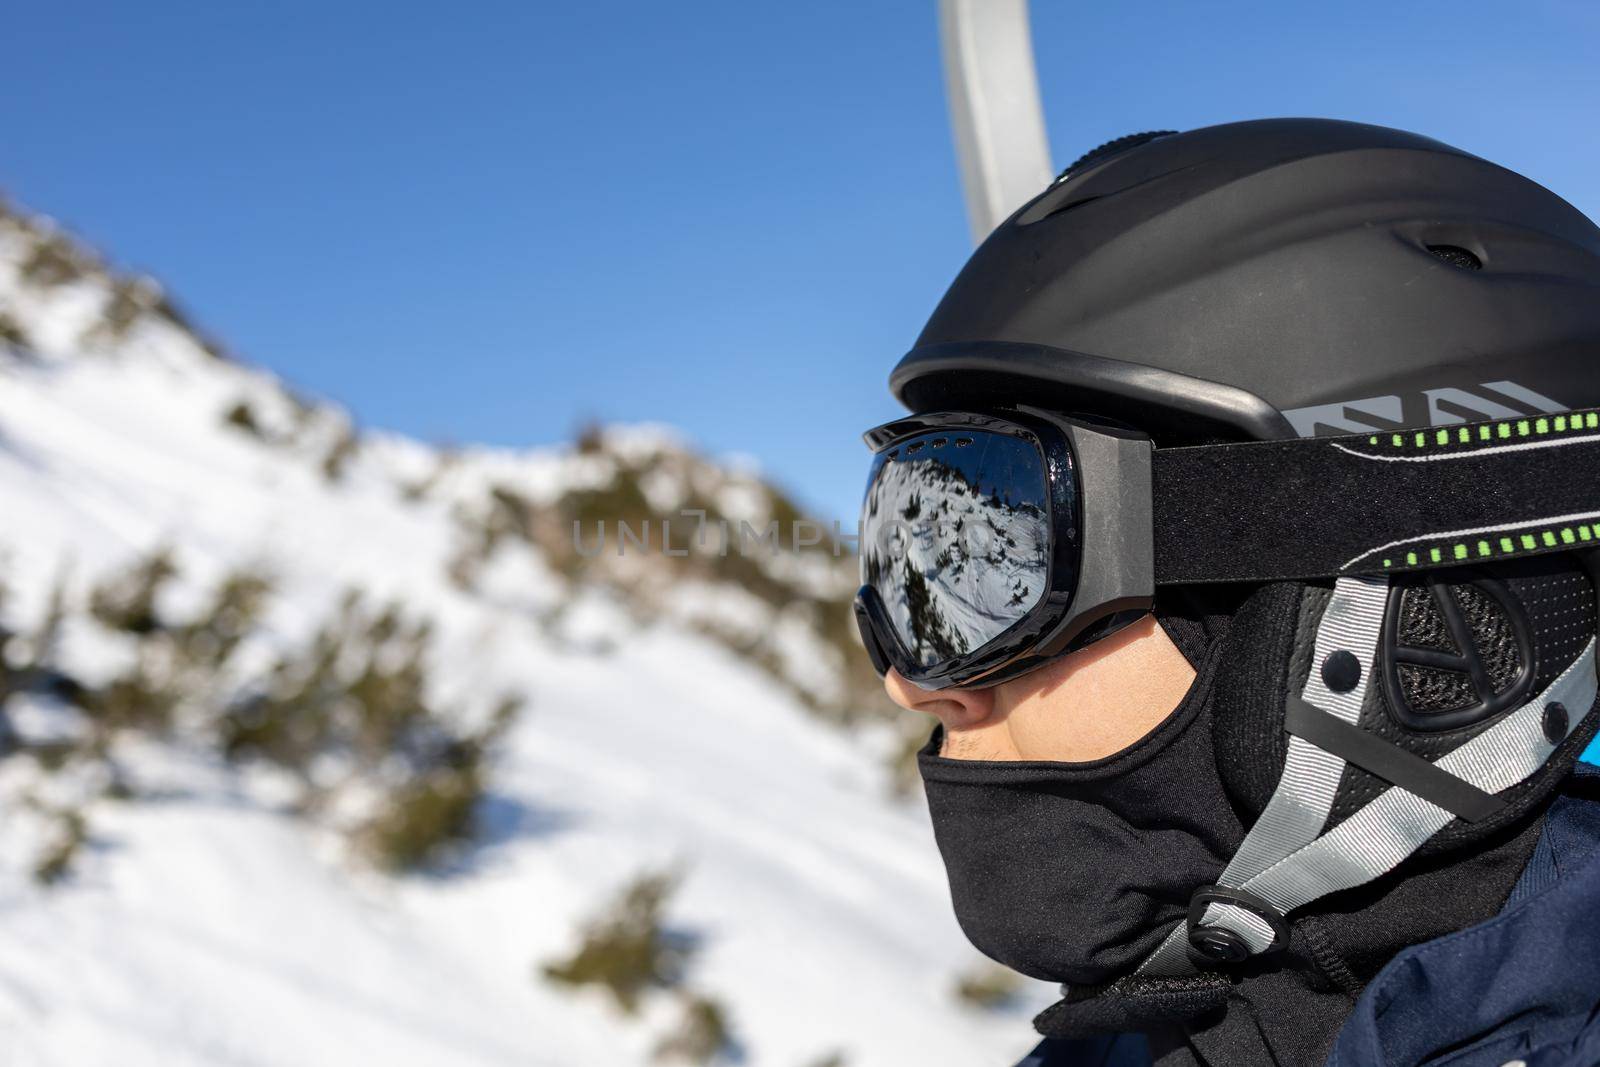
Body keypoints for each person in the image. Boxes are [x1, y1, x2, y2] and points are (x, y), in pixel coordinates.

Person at [852, 119, 1600, 1066]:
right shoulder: (1138, 1036)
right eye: (913, 567)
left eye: (1014, 564)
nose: (913, 684)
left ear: (1428, 647)